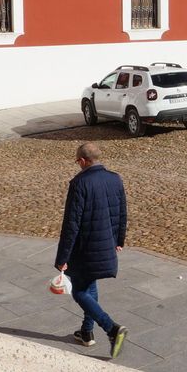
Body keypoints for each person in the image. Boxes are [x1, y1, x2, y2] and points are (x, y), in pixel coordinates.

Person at [56, 141, 127, 358]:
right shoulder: (115, 179)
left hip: (85, 248)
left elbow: (71, 224)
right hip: (106, 244)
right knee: (90, 285)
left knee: (79, 292)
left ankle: (112, 328)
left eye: (78, 161)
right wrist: (119, 240)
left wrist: (62, 258)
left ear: (83, 161)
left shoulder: (79, 183)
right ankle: (87, 332)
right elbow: (122, 212)